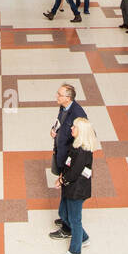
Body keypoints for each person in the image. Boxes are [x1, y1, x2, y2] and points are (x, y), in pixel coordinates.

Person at [54, 116, 99, 254]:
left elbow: (74, 172)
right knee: (65, 214)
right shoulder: (76, 145)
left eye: (74, 127)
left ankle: (75, 250)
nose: (71, 128)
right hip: (70, 187)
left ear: (81, 131)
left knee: (74, 220)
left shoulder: (82, 152)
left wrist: (61, 180)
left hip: (76, 190)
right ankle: (84, 238)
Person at [48, 85, 87, 243]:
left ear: (68, 98)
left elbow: (85, 136)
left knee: (68, 192)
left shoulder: (78, 114)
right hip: (62, 155)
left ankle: (67, 226)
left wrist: (70, 159)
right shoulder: (63, 107)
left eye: (60, 94)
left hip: (69, 159)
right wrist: (54, 130)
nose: (57, 96)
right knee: (65, 191)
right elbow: (59, 122)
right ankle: (64, 218)